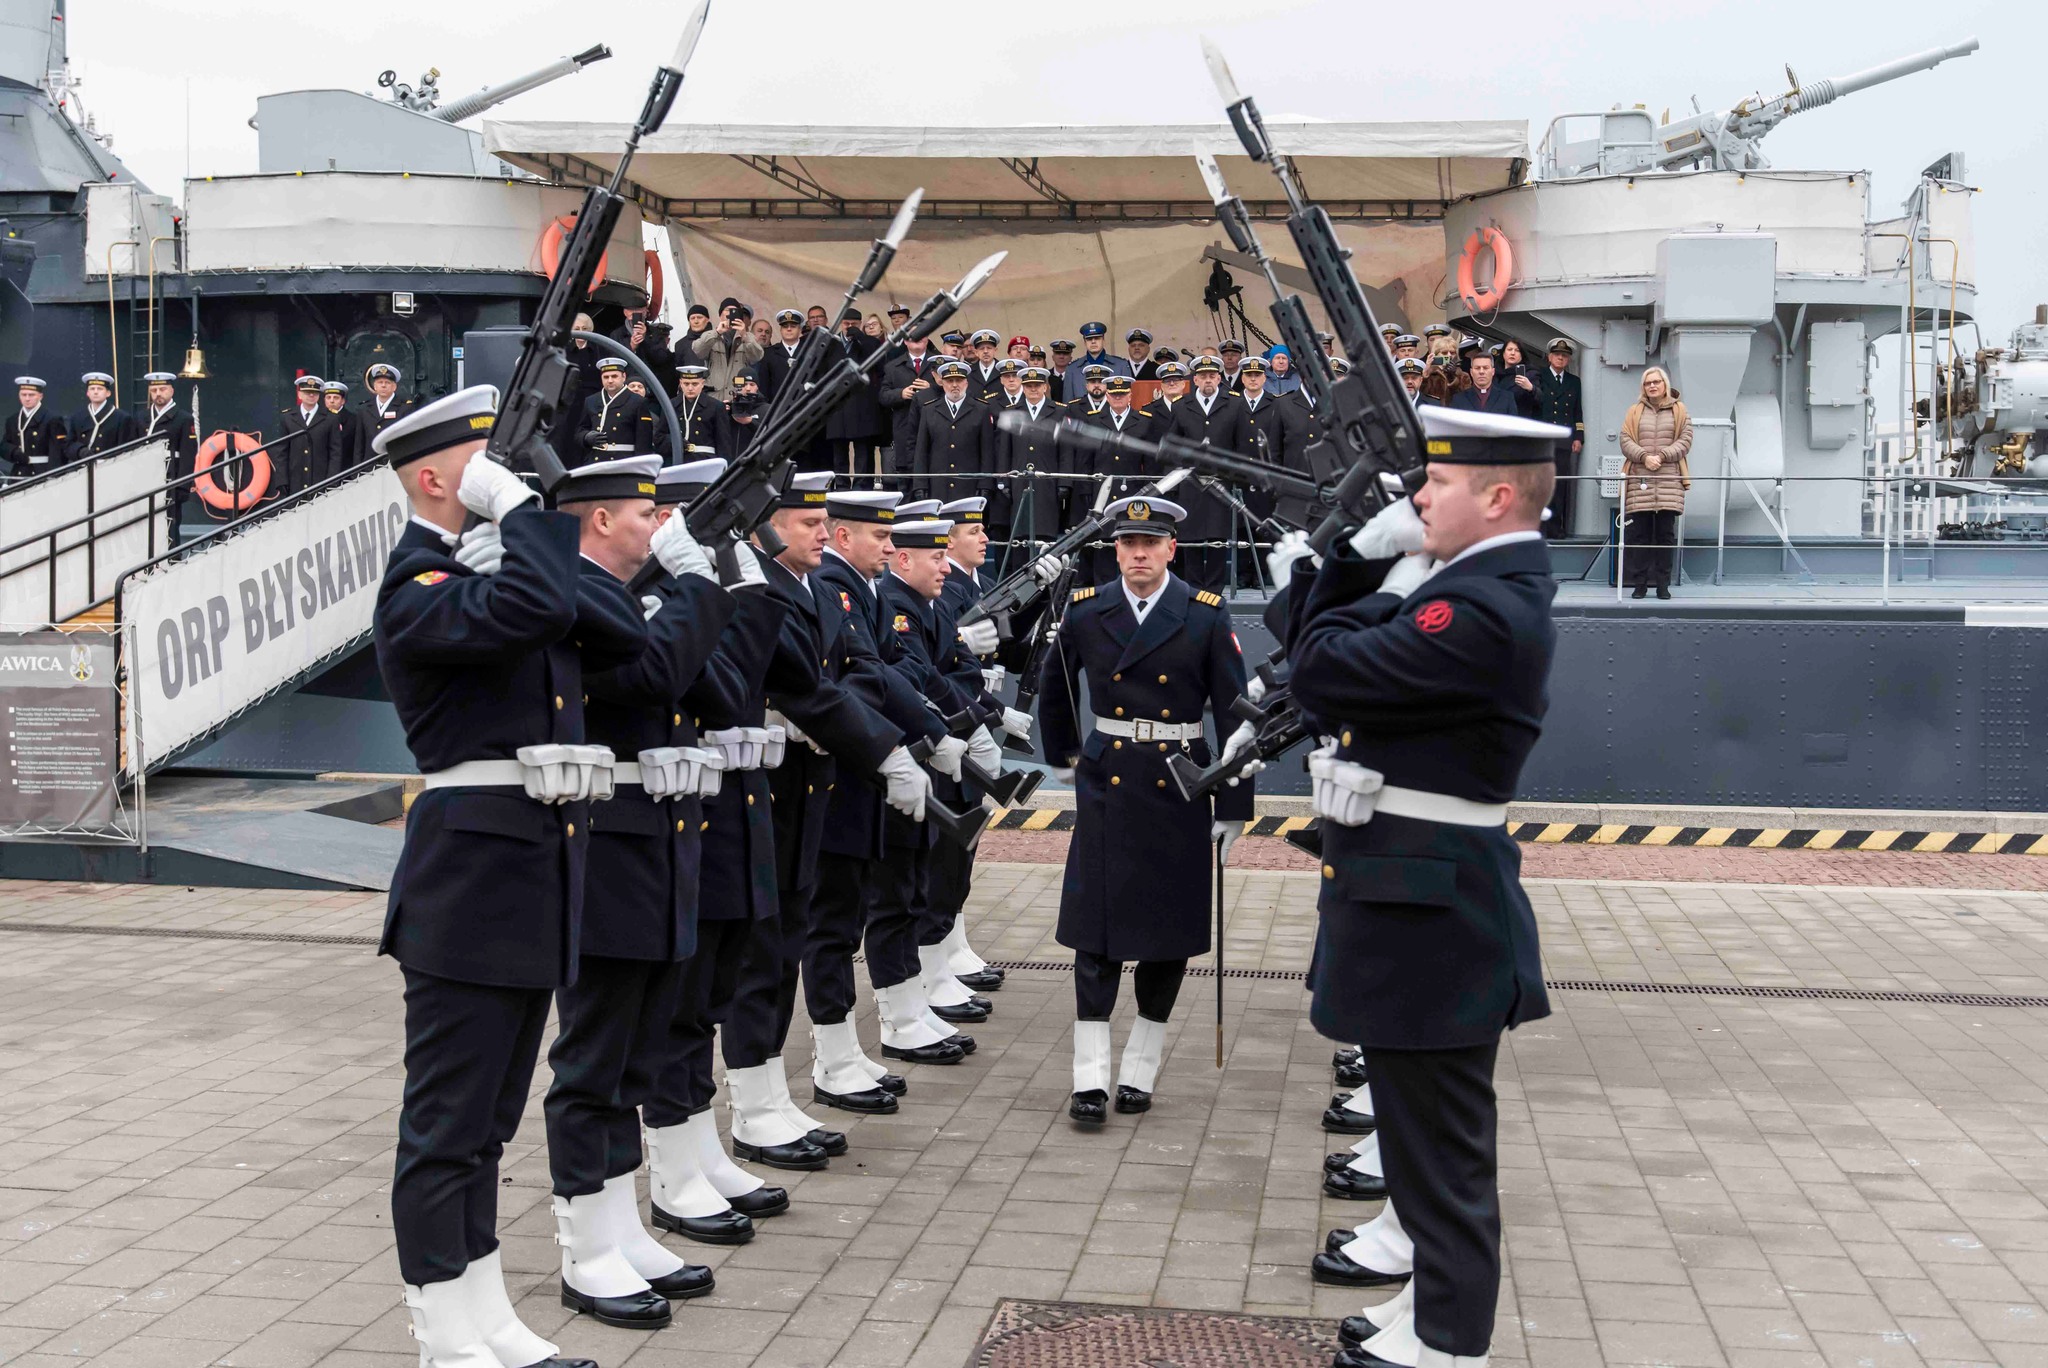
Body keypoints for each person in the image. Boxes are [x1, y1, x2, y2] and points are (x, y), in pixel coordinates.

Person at [1275, 405, 1567, 1368]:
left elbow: (1318, 670)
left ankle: (1450, 1343)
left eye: (1435, 484)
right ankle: (1426, 1308)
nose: (1416, 497)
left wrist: (1359, 566)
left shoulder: (1482, 608)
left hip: (1432, 908)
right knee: (1413, 1129)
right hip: (1418, 896)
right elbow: (1324, 656)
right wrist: (1375, 572)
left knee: (1443, 1151)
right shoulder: (1471, 586)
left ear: (1494, 496)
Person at [372, 385, 646, 1368]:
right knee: (448, 1120)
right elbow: (542, 600)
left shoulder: (488, 572)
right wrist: (525, 516)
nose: (509, 474)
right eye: (487, 460)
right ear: (443, 477)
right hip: (470, 885)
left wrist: (521, 531)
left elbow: (617, 631)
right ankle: (443, 1331)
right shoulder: (419, 590)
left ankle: (485, 1313)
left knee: (488, 1118)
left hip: (525, 880)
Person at [541, 453, 735, 1330]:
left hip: (654, 841)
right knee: (593, 1059)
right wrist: (695, 588)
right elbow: (654, 677)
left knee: (637, 1050)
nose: (663, 528)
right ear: (600, 521)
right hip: (604, 848)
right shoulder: (576, 595)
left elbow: (713, 684)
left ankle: (619, 1224)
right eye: (647, 514)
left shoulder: (626, 596)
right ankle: (585, 1244)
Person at [722, 472, 931, 1173]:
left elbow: (845, 677)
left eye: (822, 521)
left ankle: (770, 1095)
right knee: (765, 948)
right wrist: (888, 747)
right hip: (771, 787)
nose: (822, 532)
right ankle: (752, 1103)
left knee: (788, 940)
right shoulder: (763, 589)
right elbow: (806, 686)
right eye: (806, 521)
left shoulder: (813, 591)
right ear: (766, 527)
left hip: (810, 783)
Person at [1036, 495, 1254, 1126]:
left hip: (1180, 784)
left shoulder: (1205, 615)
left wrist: (1234, 803)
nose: (1137, 554)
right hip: (1107, 782)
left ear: (1170, 549)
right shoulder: (1085, 610)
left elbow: (1237, 714)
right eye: (1127, 545)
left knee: (1166, 937)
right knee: (1095, 936)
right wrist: (1063, 757)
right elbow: (1056, 683)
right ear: (1116, 552)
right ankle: (1089, 1080)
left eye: (1149, 544)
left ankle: (1139, 1069)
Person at [640, 459, 798, 1248]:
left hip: (730, 812)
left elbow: (760, 664)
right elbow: (727, 688)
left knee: (709, 997)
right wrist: (709, 578)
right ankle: (671, 1168)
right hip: (685, 817)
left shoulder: (695, 580)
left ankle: (698, 1147)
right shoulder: (658, 593)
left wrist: (737, 566)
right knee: (678, 1006)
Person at [1166, 356, 1251, 592]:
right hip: (1190, 484)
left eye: (1212, 376)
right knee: (1190, 539)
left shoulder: (1235, 404)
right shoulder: (1182, 405)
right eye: (1202, 376)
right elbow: (1172, 445)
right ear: (1195, 380)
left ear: (1219, 378)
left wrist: (1238, 477)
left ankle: (1214, 590)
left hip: (1220, 482)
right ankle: (1193, 588)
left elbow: (1241, 445)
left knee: (1217, 539)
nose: (1208, 381)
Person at [1619, 366, 1691, 600]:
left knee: (1664, 537)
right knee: (1638, 536)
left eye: (1656, 382)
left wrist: (1661, 456)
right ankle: (1639, 585)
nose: (1652, 386)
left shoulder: (1680, 410)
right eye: (1648, 383)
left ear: (1665, 384)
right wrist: (1643, 457)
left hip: (1669, 480)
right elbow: (1625, 438)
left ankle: (1662, 585)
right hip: (1640, 479)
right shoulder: (1634, 411)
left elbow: (1686, 439)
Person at [995, 366, 1065, 545]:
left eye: (1037, 385)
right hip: (1019, 481)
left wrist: (1065, 482)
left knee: (1046, 537)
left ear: (1045, 387)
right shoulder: (1012, 411)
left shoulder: (1059, 412)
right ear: (1023, 387)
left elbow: (1065, 451)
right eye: (1028, 385)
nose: (1033, 389)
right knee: (1021, 536)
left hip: (1048, 481)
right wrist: (1003, 479)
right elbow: (1005, 450)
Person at [912, 359, 989, 505]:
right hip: (938, 487)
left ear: (966, 383)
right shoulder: (929, 410)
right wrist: (920, 484)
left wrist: (985, 484)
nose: (954, 385)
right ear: (942, 383)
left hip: (969, 487)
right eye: (949, 380)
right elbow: (921, 451)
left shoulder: (981, 409)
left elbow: (986, 452)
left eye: (959, 380)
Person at [1531, 338, 1584, 535]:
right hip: (1544, 438)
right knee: (1542, 483)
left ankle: (1556, 527)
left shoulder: (1574, 382)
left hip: (1564, 440)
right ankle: (1541, 527)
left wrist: (1578, 436)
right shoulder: (1539, 376)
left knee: (1561, 484)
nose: (1561, 358)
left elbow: (1577, 411)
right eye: (1557, 355)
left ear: (1568, 359)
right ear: (1550, 357)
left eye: (1564, 356)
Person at [827, 307, 887, 479]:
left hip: (863, 407)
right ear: (840, 324)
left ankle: (863, 487)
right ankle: (842, 488)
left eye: (854, 324)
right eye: (846, 324)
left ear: (860, 324)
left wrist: (860, 337)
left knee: (863, 455)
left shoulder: (869, 342)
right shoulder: (831, 344)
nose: (850, 327)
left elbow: (879, 363)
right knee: (839, 455)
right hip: (837, 407)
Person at [137, 372, 196, 546]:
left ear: (171, 390)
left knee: (170, 524)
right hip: (146, 477)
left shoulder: (184, 419)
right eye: (154, 390)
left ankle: (172, 559)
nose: (158, 394)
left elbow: (188, 455)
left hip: (170, 478)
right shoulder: (142, 417)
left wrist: (183, 486)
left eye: (162, 389)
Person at [879, 330, 941, 477]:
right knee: (906, 480)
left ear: (927, 339)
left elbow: (954, 392)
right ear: (905, 341)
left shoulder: (940, 364)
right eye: (912, 337)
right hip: (905, 430)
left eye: (921, 335)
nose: (917, 339)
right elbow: (883, 396)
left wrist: (931, 388)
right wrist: (900, 393)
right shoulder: (893, 366)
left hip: (935, 429)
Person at [578, 357, 654, 461]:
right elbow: (579, 430)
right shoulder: (591, 401)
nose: (610, 380)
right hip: (596, 461)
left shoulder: (638, 402)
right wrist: (586, 437)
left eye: (614, 376)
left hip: (623, 462)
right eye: (606, 377)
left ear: (624, 377)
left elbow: (644, 442)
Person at [691, 303, 764, 403]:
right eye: (727, 310)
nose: (731, 314)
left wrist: (744, 335)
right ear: (720, 315)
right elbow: (698, 351)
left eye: (735, 311)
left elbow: (756, 357)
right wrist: (717, 332)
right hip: (714, 397)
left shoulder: (748, 336)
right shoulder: (711, 335)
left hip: (738, 397)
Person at [66, 371, 139, 463]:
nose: (95, 392)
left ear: (108, 393)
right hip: (83, 467)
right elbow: (68, 444)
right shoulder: (77, 417)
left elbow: (126, 448)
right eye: (92, 389)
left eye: (100, 389)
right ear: (87, 393)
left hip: (109, 467)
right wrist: (80, 451)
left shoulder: (121, 418)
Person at [279, 375, 332, 497]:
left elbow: (335, 452)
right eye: (307, 392)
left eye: (315, 392)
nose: (311, 395)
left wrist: (331, 480)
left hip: (321, 479)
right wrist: (282, 480)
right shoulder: (288, 418)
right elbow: (282, 452)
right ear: (299, 394)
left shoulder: (330, 418)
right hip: (295, 480)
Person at [358, 362, 416, 466]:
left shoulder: (405, 407)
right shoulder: (364, 409)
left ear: (394, 387)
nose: (383, 385)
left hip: (394, 464)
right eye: (380, 382)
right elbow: (359, 444)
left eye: (387, 382)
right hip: (368, 467)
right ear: (375, 386)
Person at [3, 377, 64, 476]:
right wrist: (14, 452)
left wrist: (53, 476)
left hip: (41, 472)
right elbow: (4, 445)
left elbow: (57, 452)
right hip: (18, 472)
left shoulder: (51, 419)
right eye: (23, 395)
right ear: (19, 396)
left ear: (40, 396)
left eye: (31, 395)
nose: (27, 398)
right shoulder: (13, 420)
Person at [1062, 322, 1132, 401]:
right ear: (1084, 342)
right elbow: (1067, 404)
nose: (1093, 342)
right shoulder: (1072, 369)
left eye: (1097, 338)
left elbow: (1128, 399)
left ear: (1103, 340)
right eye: (1089, 339)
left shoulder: (1121, 366)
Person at [671, 365, 727, 459]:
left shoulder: (715, 406)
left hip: (706, 459)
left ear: (702, 384)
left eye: (695, 384)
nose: (690, 388)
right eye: (686, 384)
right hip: (680, 459)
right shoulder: (672, 405)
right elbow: (660, 437)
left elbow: (723, 442)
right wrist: (676, 441)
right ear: (680, 383)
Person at [757, 308, 808, 406]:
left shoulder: (809, 352)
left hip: (804, 409)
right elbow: (764, 388)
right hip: (777, 410)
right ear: (780, 330)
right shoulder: (769, 354)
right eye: (785, 326)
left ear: (800, 329)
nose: (789, 329)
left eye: (793, 326)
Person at [316, 381, 361, 484]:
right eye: (328, 397)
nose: (331, 401)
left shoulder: (353, 420)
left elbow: (357, 448)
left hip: (345, 473)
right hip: (321, 474)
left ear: (343, 401)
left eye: (336, 398)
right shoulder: (317, 419)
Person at [1448, 353, 1518, 417]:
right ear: (1471, 372)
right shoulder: (1459, 399)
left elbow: (1513, 427)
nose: (1481, 372)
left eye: (1485, 368)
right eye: (1477, 368)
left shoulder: (1507, 398)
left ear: (1493, 371)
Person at [1497, 340, 1540, 418]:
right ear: (1503, 353)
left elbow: (1541, 400)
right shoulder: (1494, 373)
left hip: (1518, 420)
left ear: (1522, 355)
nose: (1513, 353)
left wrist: (1531, 388)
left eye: (1517, 350)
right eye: (1509, 349)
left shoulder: (1531, 374)